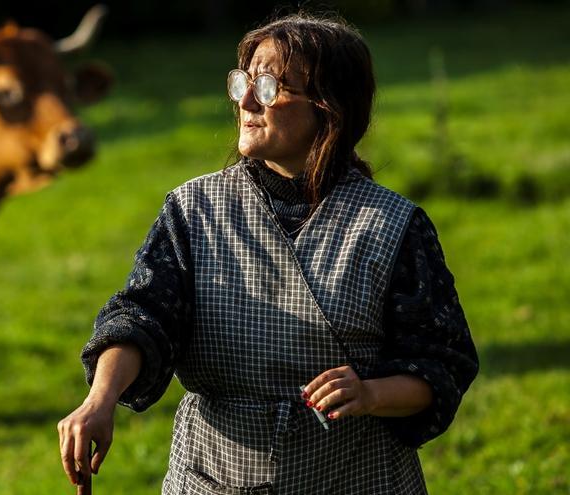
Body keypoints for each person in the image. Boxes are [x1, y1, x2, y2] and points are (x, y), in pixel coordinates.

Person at [58, 13, 478, 494]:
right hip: (212, 477)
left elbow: (441, 365)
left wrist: (369, 393)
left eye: (268, 86)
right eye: (243, 82)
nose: (246, 102)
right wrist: (100, 399)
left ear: (329, 107)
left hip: (358, 477)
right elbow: (142, 316)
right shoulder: (193, 211)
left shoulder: (390, 225)